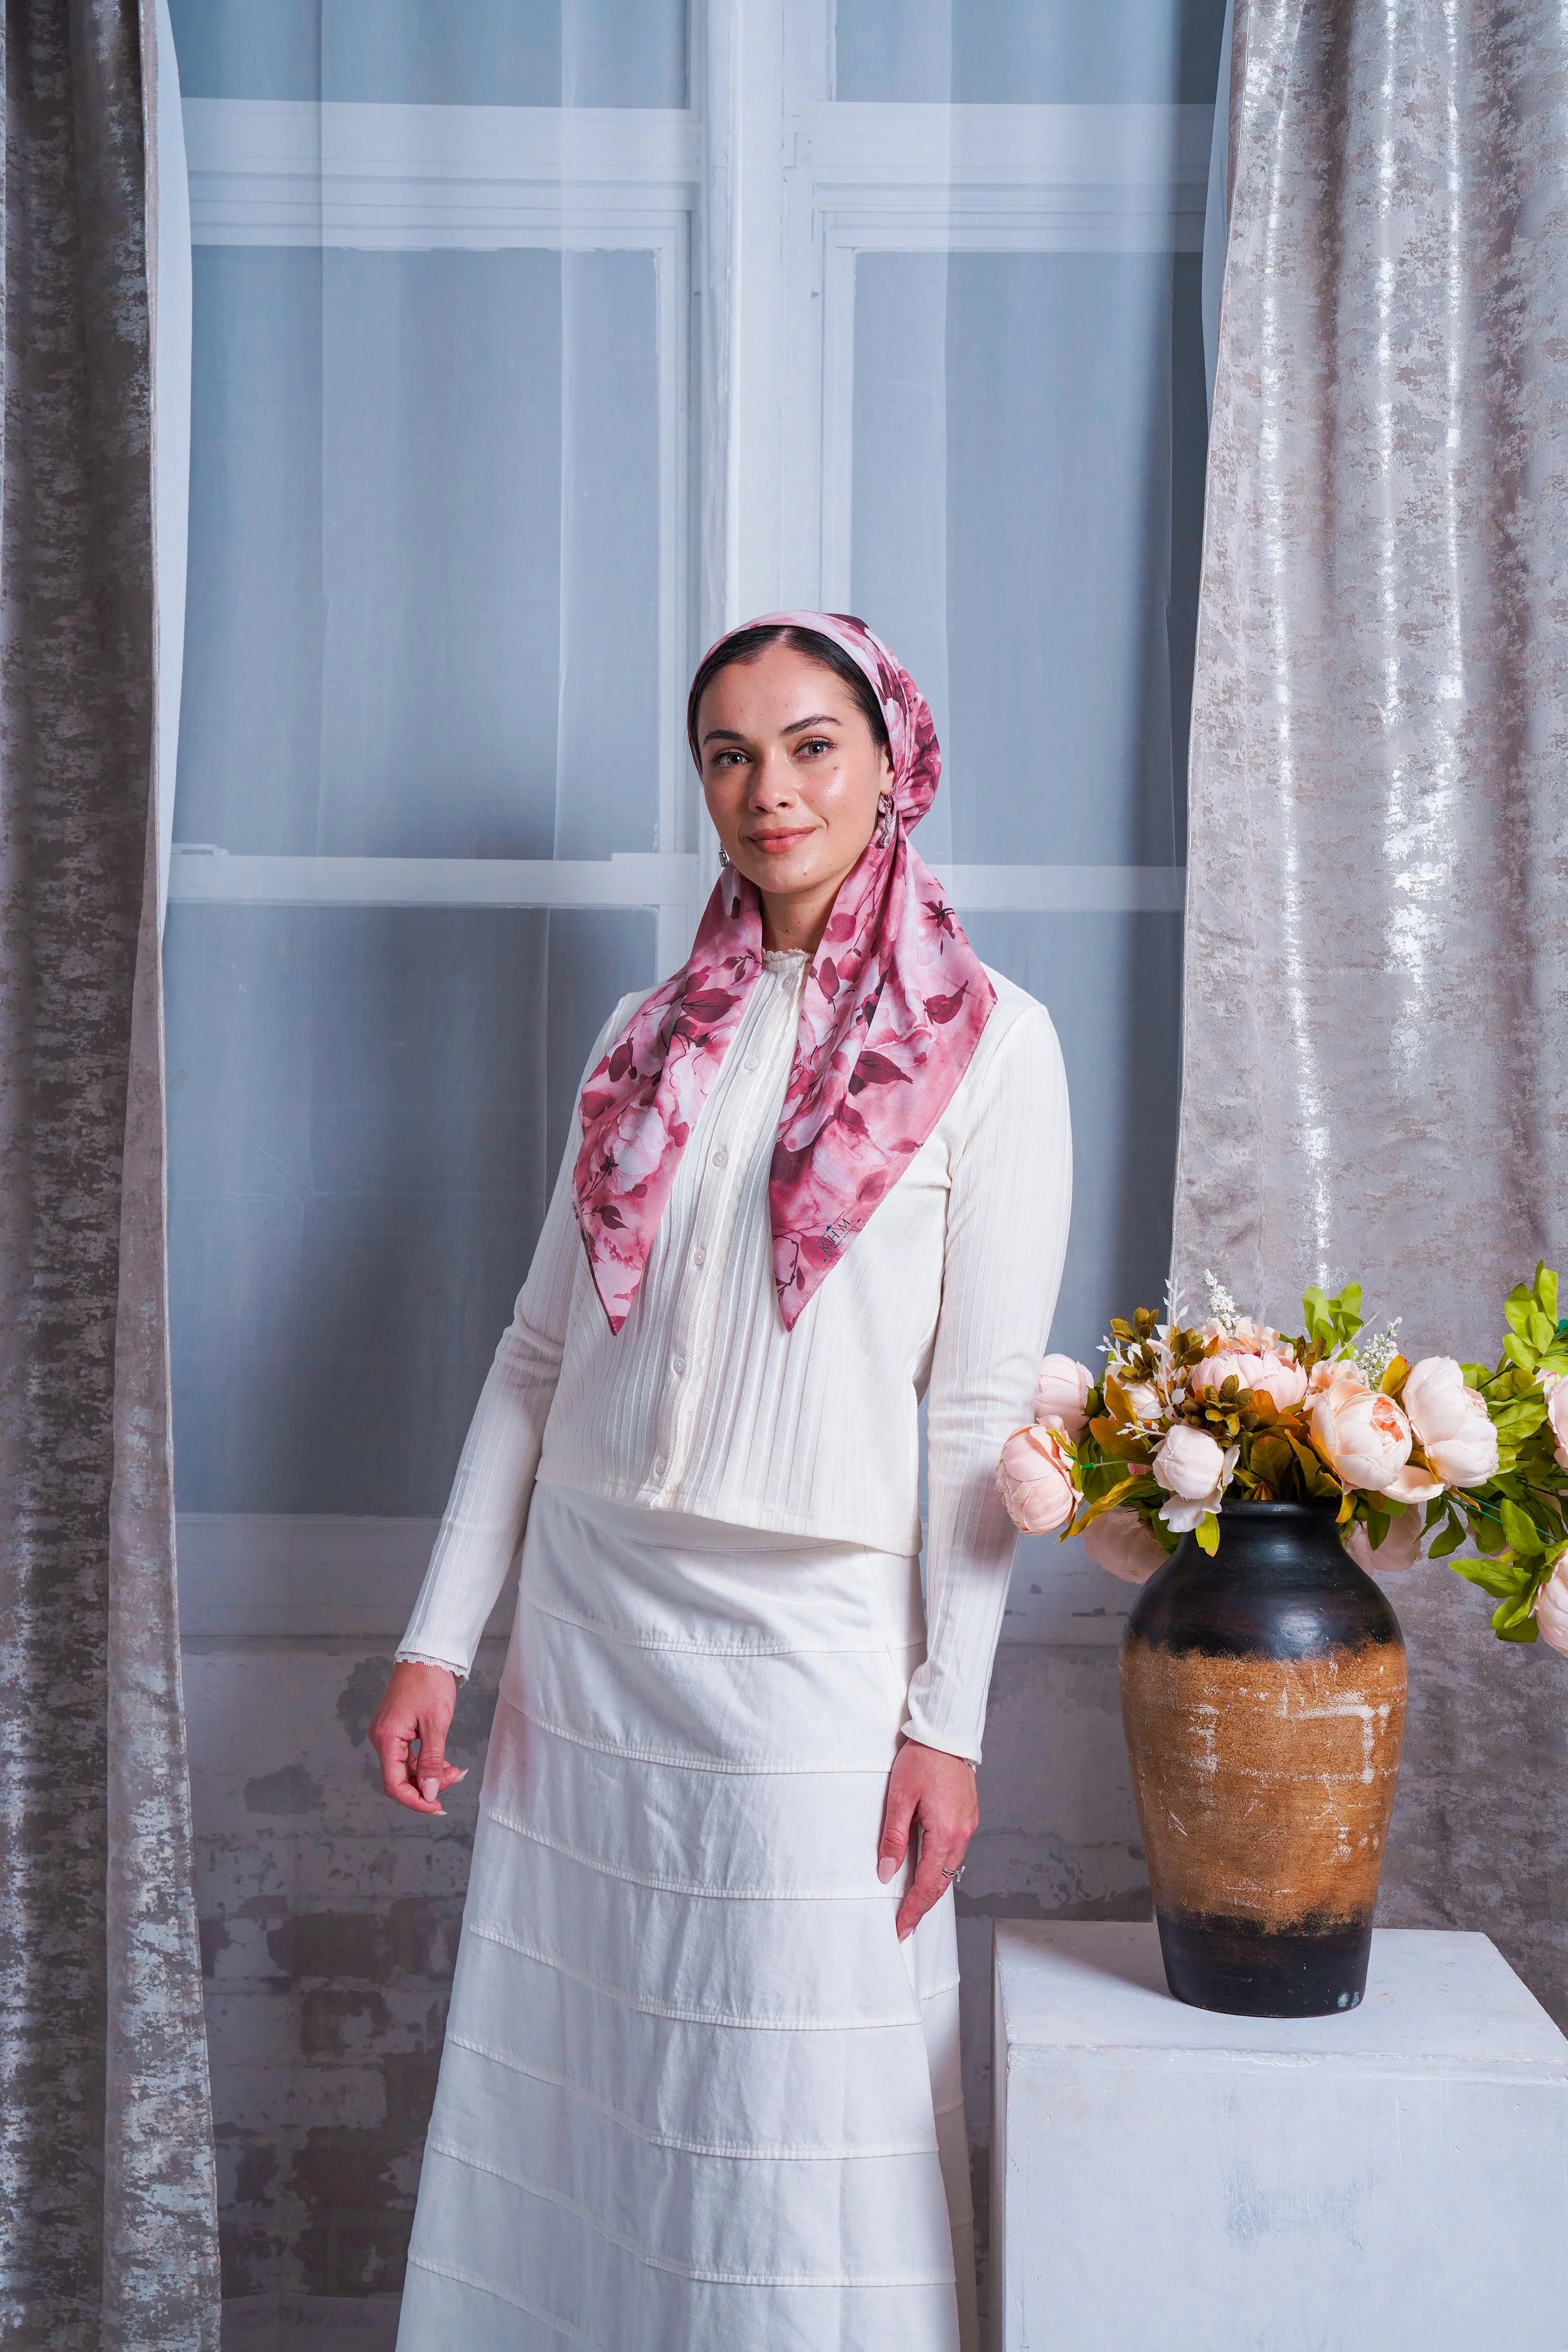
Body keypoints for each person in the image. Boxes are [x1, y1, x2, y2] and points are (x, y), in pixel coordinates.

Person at [371, 613, 1072, 2350]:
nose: (772, 789)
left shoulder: (995, 1044)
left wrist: (948, 1723)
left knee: (789, 2099)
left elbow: (979, 1417)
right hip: (594, 1618)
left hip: (814, 1634)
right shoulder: (641, 1034)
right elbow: (538, 1353)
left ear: (892, 763)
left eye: (812, 743)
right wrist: (438, 1638)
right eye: (730, 754)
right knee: (589, 2081)